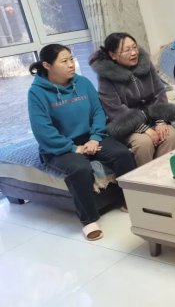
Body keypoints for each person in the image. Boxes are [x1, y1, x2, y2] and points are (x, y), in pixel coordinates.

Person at [28, 44, 136, 241]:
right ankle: (89, 220)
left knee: (122, 154)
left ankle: (129, 200)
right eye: (64, 61)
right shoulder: (37, 93)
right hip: (58, 146)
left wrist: (95, 137)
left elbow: (98, 112)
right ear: (47, 65)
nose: (71, 64)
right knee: (80, 168)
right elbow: (42, 129)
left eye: (71, 59)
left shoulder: (83, 82)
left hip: (90, 137)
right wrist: (72, 148)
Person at [90, 32, 175, 166]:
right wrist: (144, 128)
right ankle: (146, 177)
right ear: (113, 55)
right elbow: (115, 109)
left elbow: (159, 91)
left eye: (134, 47)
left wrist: (161, 121)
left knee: (170, 135)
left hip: (153, 118)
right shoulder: (106, 76)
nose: (133, 53)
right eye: (127, 50)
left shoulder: (146, 64)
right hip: (127, 125)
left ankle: (165, 174)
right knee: (143, 143)